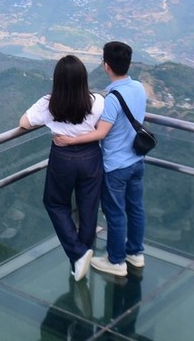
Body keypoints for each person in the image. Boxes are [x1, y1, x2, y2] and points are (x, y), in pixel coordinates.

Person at [54, 41, 147, 278]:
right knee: (135, 208)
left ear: (106, 66)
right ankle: (135, 253)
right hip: (137, 160)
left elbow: (101, 133)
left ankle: (116, 261)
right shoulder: (138, 87)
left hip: (116, 165)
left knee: (115, 213)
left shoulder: (113, 98)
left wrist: (69, 141)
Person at [19, 55, 105, 282]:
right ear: (83, 79)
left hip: (63, 158)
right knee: (88, 207)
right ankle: (80, 259)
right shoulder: (96, 101)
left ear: (57, 80)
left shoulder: (49, 104)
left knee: (55, 203)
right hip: (91, 156)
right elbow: (100, 125)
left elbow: (24, 123)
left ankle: (78, 254)